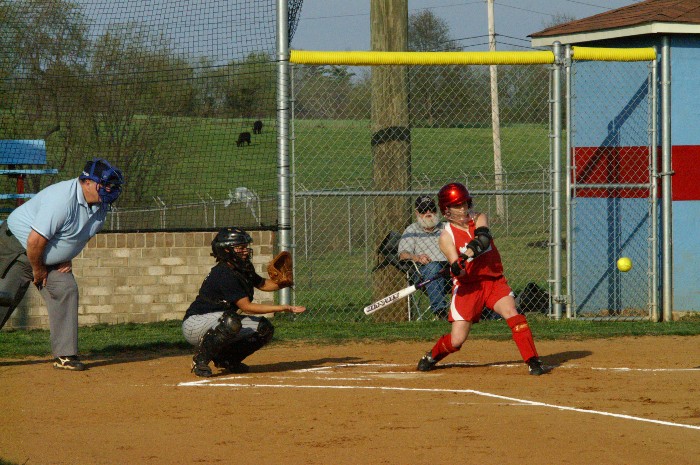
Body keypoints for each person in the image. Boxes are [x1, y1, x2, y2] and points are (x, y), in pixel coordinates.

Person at [0, 158, 124, 371]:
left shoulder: (101, 206)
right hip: (18, 248)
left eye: (112, 186)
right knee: (4, 298)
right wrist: (39, 270)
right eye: (104, 184)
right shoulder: (62, 199)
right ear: (86, 182)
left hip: (45, 256)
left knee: (66, 288)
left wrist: (66, 256)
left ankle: (65, 355)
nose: (109, 190)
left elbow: (79, 235)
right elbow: (34, 241)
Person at [416, 182, 546, 376]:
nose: (463, 209)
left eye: (464, 203)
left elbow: (483, 240)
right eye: (457, 206)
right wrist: (457, 268)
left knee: (513, 313)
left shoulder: (479, 218)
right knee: (457, 340)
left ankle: (533, 360)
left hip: (493, 281)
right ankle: (432, 356)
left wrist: (466, 255)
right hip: (468, 288)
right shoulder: (446, 237)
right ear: (446, 210)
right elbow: (459, 271)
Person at [183, 227, 306, 377]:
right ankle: (200, 360)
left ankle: (227, 360)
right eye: (240, 248)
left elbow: (263, 284)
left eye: (245, 247)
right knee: (231, 322)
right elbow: (247, 307)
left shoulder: (242, 267)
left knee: (263, 328)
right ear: (226, 250)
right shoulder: (224, 273)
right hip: (195, 324)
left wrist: (283, 283)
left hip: (219, 321)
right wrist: (282, 308)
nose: (245, 251)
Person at [398, 195, 450, 319]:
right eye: (423, 209)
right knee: (433, 267)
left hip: (450, 269)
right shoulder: (411, 230)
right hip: (424, 273)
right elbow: (402, 255)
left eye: (431, 208)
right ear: (417, 212)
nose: (428, 212)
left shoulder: (447, 227)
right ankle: (441, 312)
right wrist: (417, 257)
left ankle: (487, 311)